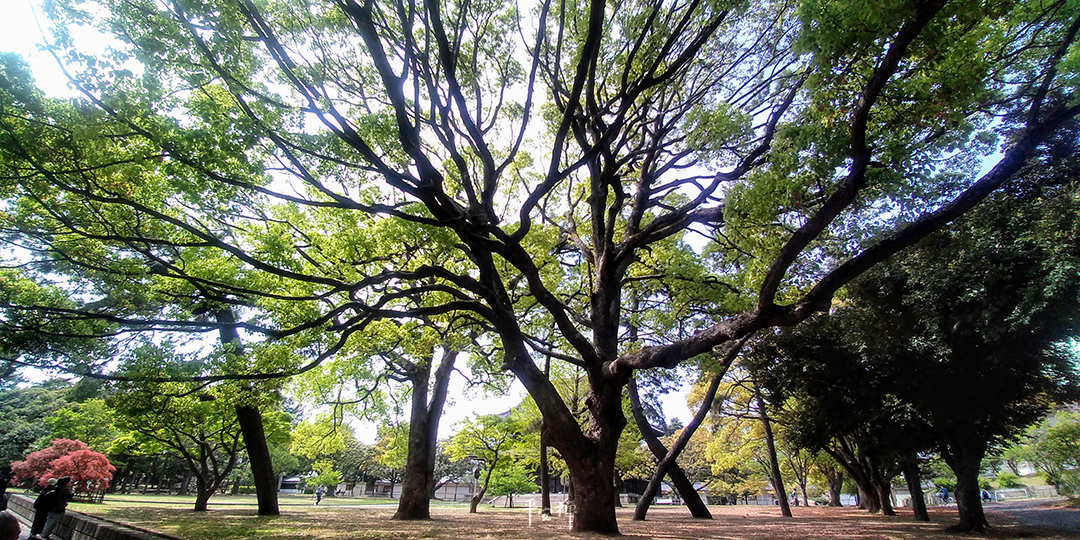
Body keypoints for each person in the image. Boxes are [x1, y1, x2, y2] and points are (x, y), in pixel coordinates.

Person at [33, 476, 72, 540]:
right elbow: (69, 496)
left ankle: (41, 534)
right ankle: (44, 535)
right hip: (56, 509)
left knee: (47, 521)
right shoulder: (61, 490)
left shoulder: (54, 489)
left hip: (51, 508)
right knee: (51, 522)